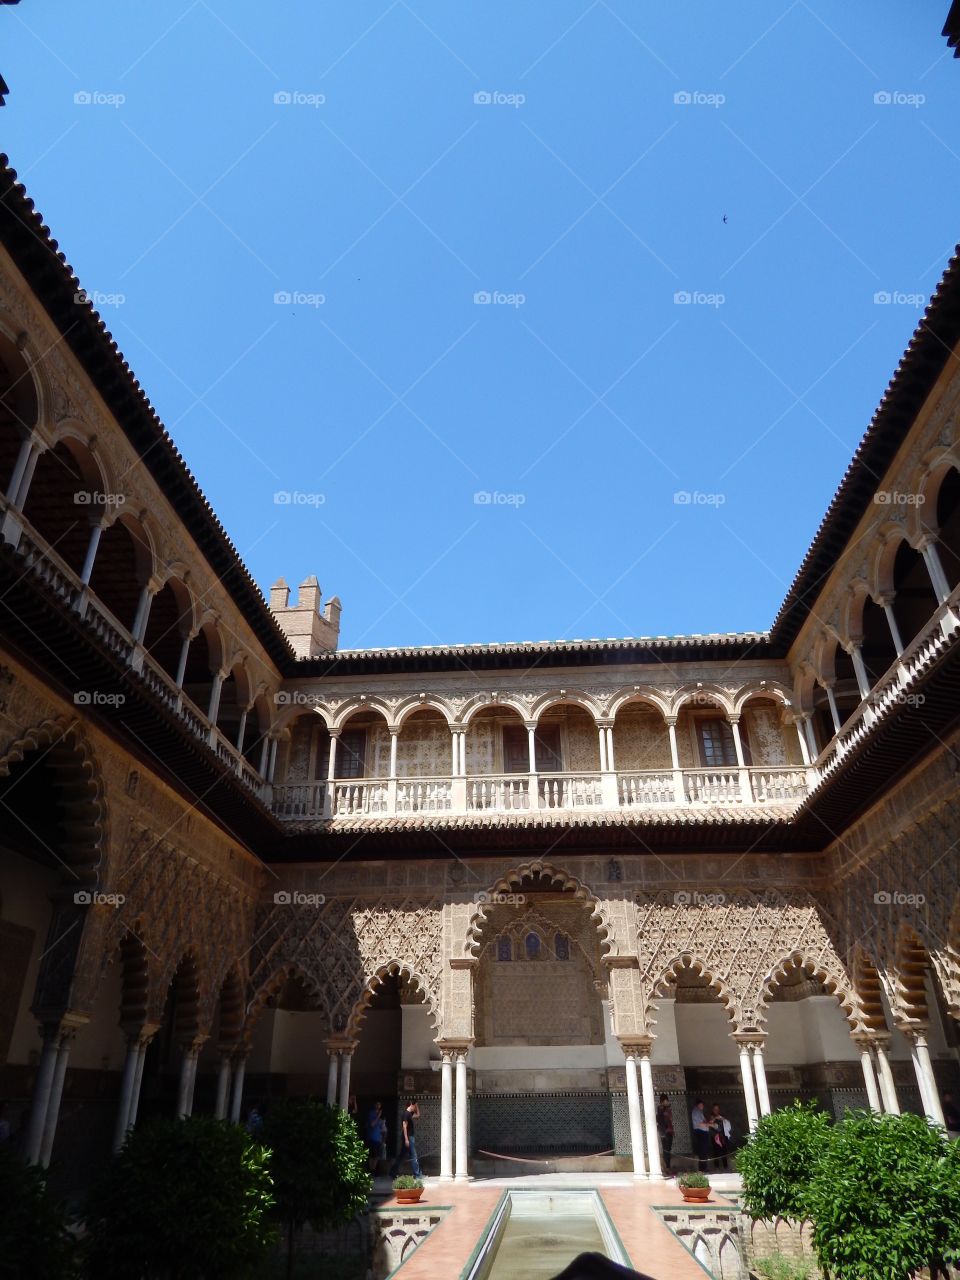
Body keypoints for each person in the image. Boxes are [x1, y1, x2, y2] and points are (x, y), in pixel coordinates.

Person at [390, 1099, 422, 1179]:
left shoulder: (410, 1114)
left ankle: (392, 1172)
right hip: (408, 1138)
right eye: (414, 1105)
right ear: (411, 1104)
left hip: (410, 1138)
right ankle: (417, 1175)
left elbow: (418, 1115)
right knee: (414, 1156)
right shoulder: (406, 1114)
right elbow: (404, 1127)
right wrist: (406, 1139)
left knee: (401, 1156)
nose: (415, 1107)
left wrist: (417, 1105)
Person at [690, 1098, 714, 1173]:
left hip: (703, 1133)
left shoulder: (699, 1112)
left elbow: (703, 1122)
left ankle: (704, 1167)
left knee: (704, 1150)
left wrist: (710, 1122)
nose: (703, 1106)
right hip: (700, 1132)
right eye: (702, 1105)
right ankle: (702, 1168)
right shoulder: (696, 1111)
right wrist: (711, 1125)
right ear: (699, 1105)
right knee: (702, 1151)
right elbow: (700, 1124)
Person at [655, 1094, 674, 1174]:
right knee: (666, 1150)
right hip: (665, 1132)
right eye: (666, 1101)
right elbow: (660, 1120)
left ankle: (667, 1166)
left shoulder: (667, 1108)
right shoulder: (661, 1109)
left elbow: (670, 1119)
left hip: (669, 1131)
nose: (667, 1102)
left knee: (668, 1149)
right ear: (662, 1102)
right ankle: (667, 1167)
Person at [709, 1103, 731, 1170]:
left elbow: (726, 1123)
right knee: (716, 1152)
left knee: (724, 1151)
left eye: (717, 1109)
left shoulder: (721, 1116)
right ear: (713, 1110)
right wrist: (715, 1118)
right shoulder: (711, 1116)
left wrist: (722, 1119)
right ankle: (717, 1167)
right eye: (715, 1109)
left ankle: (725, 1166)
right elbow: (710, 1123)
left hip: (722, 1136)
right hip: (715, 1136)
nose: (716, 1110)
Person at [366, 1100, 386, 1169]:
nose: (378, 1106)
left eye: (379, 1104)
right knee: (372, 1156)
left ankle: (373, 1169)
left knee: (377, 1156)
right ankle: (371, 1169)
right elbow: (372, 1124)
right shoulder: (372, 1113)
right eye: (377, 1104)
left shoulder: (381, 1116)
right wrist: (378, 1116)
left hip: (378, 1139)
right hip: (372, 1138)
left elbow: (383, 1128)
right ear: (375, 1105)